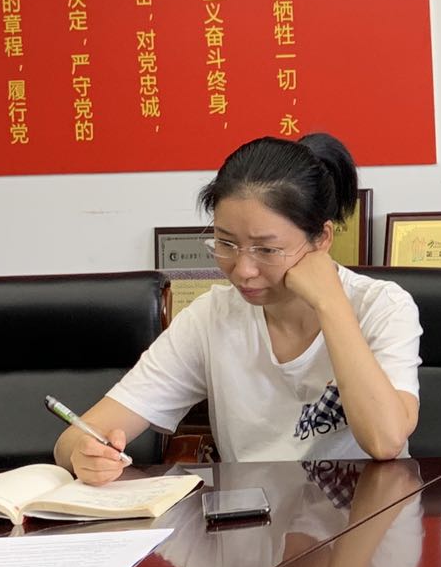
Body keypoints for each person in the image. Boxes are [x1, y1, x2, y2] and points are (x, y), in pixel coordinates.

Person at [55, 132, 421, 485]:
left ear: (321, 239)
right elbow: (71, 442)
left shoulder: (383, 307)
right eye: (226, 244)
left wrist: (330, 304)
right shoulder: (210, 318)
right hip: (254, 519)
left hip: (370, 516)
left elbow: (385, 441)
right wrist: (85, 455)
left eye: (267, 249)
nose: (243, 270)